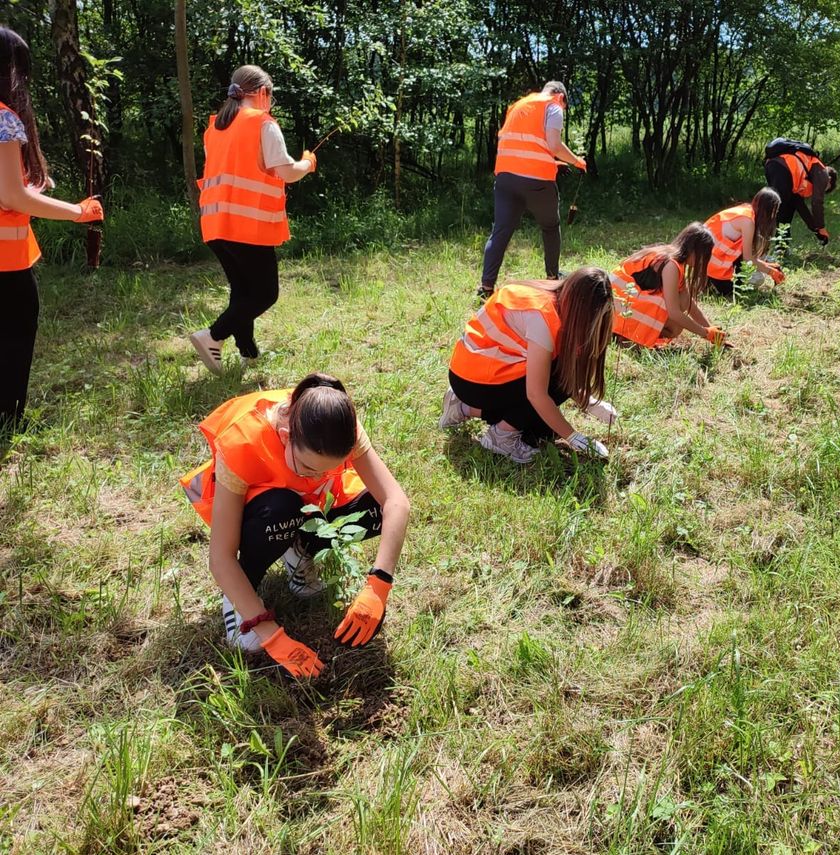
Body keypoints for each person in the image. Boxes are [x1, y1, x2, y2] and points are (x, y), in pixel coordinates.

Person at [179, 373, 411, 678]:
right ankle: (242, 595)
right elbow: (220, 557)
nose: (317, 477)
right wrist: (269, 634)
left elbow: (396, 502)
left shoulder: (340, 426)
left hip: (310, 507)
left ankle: (300, 551)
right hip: (264, 514)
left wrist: (378, 585)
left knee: (375, 510)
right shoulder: (243, 441)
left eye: (331, 468)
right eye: (310, 468)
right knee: (281, 508)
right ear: (286, 435)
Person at [0, 27, 103, 435]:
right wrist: (78, 212)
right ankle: (7, 423)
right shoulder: (4, 121)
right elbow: (13, 197)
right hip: (6, 266)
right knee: (13, 340)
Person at [189, 65, 316, 375]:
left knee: (242, 289)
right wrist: (308, 163)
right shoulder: (263, 124)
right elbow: (285, 171)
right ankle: (213, 336)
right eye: (270, 96)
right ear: (261, 93)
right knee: (264, 293)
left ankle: (248, 352)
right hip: (246, 224)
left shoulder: (214, 128)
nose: (270, 103)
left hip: (215, 222)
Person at [441, 268, 614, 464]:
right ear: (580, 310)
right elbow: (537, 394)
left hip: (470, 372)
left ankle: (463, 408)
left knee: (541, 427)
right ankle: (500, 439)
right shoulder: (542, 318)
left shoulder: (551, 295)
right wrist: (573, 437)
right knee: (553, 385)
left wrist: (589, 403)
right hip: (475, 381)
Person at [477, 81, 588, 299]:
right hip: (537, 182)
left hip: (506, 178)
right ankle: (552, 278)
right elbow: (554, 145)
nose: (562, 109)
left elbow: (524, 146)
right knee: (550, 226)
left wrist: (554, 164)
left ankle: (486, 287)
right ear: (561, 96)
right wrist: (576, 161)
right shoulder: (553, 106)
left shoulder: (518, 106)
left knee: (500, 231)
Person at [610, 223, 725, 349]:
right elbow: (674, 313)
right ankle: (626, 337)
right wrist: (705, 333)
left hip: (619, 301)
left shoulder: (674, 259)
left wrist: (712, 333)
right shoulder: (671, 265)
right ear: (693, 250)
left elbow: (689, 303)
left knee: (680, 308)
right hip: (616, 304)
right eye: (704, 255)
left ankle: (629, 335)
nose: (703, 261)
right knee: (675, 324)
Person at [704, 188, 783, 298]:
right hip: (710, 264)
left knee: (748, 280)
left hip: (706, 259)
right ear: (768, 209)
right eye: (775, 211)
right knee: (748, 285)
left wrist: (769, 266)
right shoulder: (748, 222)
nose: (774, 215)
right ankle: (708, 283)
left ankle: (707, 282)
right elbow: (748, 259)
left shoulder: (747, 211)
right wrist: (772, 272)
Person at [762, 138, 838, 248]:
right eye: (825, 188)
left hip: (773, 166)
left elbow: (800, 205)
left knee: (787, 208)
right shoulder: (823, 174)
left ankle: (781, 248)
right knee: (780, 210)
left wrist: (816, 230)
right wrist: (821, 227)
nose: (820, 190)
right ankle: (762, 246)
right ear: (830, 180)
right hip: (782, 169)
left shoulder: (807, 174)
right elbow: (817, 202)